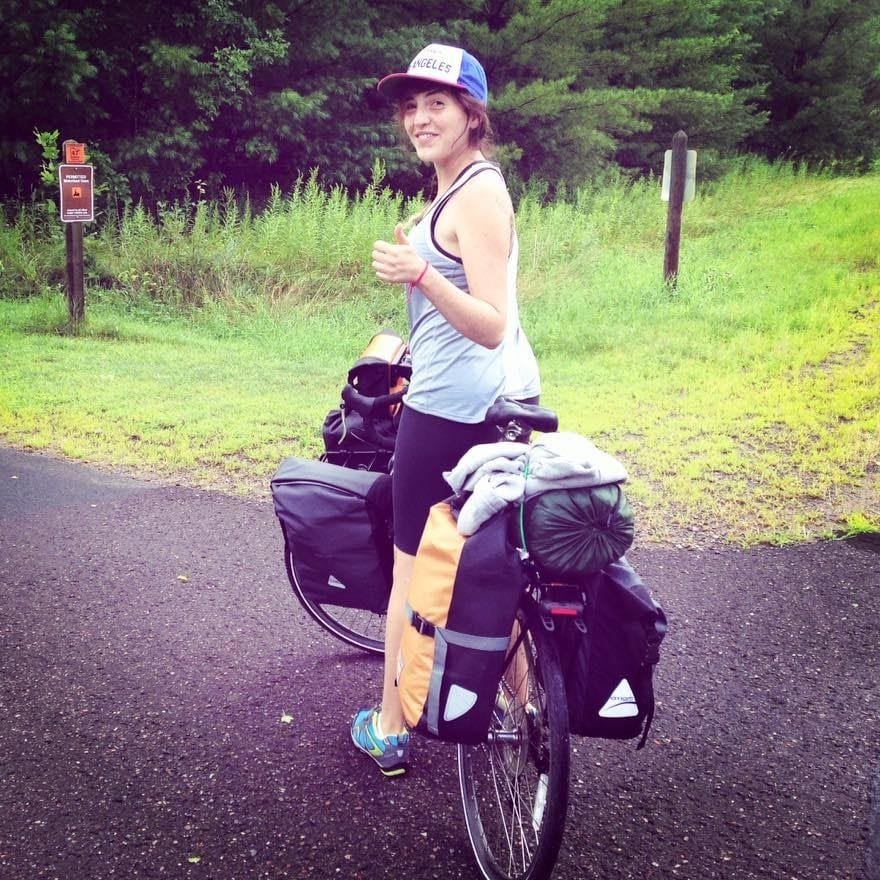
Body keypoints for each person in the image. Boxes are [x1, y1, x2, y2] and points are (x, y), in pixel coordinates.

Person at [350, 42, 540, 776]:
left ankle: (390, 728)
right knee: (498, 564)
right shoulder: (452, 191)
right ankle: (528, 712)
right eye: (410, 106)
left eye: (437, 104)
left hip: (455, 414)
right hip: (501, 404)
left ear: (471, 112)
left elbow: (491, 320)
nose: (420, 118)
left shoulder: (481, 193)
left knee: (411, 571)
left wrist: (422, 272)